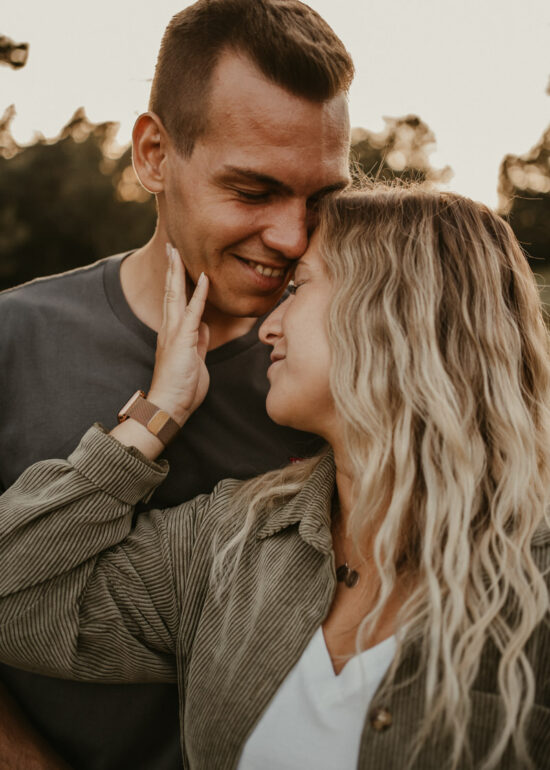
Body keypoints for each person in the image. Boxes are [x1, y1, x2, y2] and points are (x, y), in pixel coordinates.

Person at [1, 186, 549, 770]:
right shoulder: (230, 541)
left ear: (394, 312)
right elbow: (15, 596)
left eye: (298, 288)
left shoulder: (535, 583)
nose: (270, 326)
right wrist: (156, 412)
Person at [0, 1, 353, 767]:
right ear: (155, 154)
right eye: (255, 191)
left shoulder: (340, 382)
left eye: (321, 199)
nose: (292, 238)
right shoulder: (13, 340)